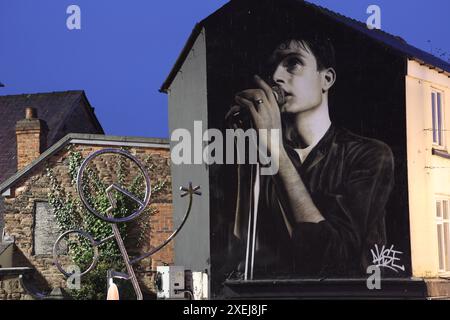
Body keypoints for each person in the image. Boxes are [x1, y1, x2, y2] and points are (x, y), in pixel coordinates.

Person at [228, 36, 395, 278]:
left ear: (326, 79)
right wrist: (246, 164)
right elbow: (242, 258)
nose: (276, 76)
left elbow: (331, 258)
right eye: (271, 68)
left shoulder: (370, 155)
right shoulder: (264, 156)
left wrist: (276, 151)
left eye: (293, 63)